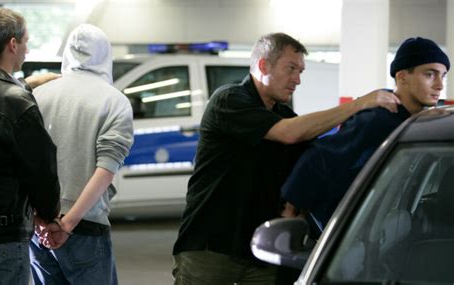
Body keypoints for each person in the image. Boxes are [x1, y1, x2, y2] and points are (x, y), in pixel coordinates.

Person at [171, 32, 400, 284]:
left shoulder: (283, 113)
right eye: (291, 69)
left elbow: (320, 158)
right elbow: (289, 134)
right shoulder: (229, 100)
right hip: (211, 249)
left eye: (301, 71)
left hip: (262, 251)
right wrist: (358, 105)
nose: (297, 80)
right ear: (262, 65)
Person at [281, 37, 450, 235]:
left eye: (443, 76)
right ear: (402, 76)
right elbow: (318, 158)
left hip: (378, 227)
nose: (439, 85)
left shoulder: (413, 120)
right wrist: (291, 211)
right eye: (430, 74)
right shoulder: (379, 119)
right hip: (340, 234)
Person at [28, 24, 134, 285]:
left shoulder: (37, 95)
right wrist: (67, 225)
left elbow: (24, 163)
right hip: (85, 227)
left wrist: (40, 220)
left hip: (39, 228)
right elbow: (105, 170)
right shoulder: (114, 101)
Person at [0, 7, 61, 285]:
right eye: (26, 42)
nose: (27, 49)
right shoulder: (17, 102)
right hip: (1, 237)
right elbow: (41, 167)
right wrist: (49, 215)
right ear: (12, 44)